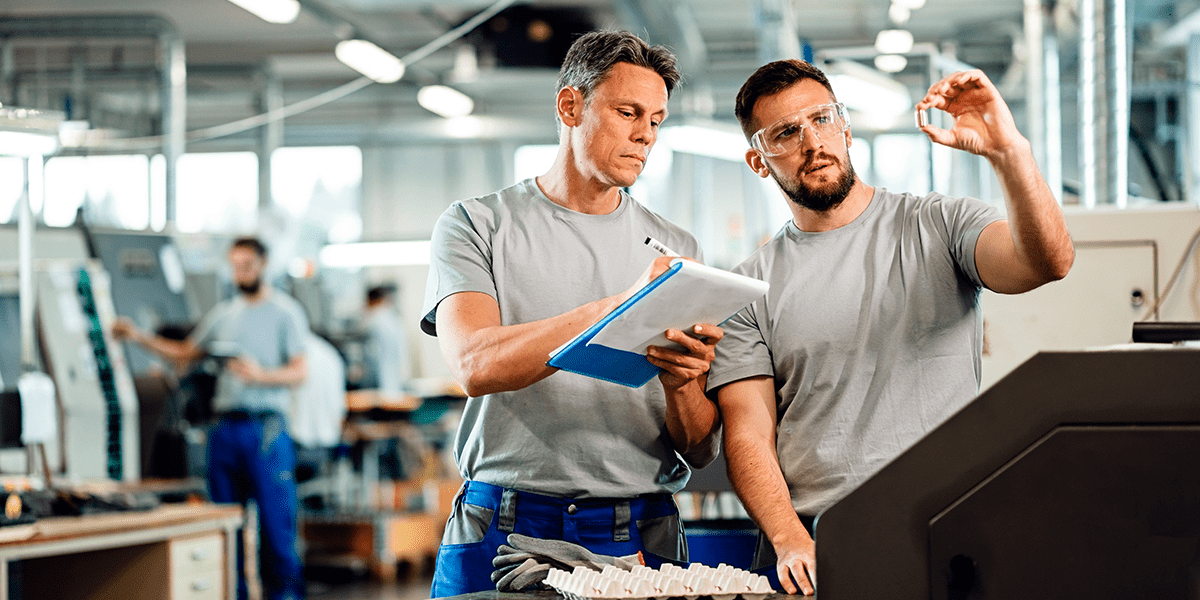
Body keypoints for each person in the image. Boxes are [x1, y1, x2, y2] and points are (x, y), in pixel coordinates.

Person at [707, 60, 1075, 595]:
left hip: (950, 531)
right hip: (823, 543)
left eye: (822, 119)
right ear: (758, 161)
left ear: (846, 128)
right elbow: (748, 435)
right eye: (786, 133)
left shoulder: (940, 225)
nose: (813, 141)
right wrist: (789, 538)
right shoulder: (748, 288)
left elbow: (1046, 263)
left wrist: (1008, 153)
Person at [421, 30, 724, 597]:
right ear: (570, 106)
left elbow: (700, 446)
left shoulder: (677, 250)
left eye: (656, 121)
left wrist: (684, 385)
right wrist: (617, 310)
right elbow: (474, 364)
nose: (644, 135)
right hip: (503, 527)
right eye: (628, 112)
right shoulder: (475, 225)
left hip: (638, 530)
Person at [114, 236, 308, 600]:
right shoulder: (224, 315)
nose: (241, 273)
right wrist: (137, 336)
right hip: (225, 430)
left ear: (262, 265)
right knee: (225, 522)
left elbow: (300, 372)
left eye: (247, 265)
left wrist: (259, 375)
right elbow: (185, 354)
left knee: (276, 527)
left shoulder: (285, 313)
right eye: (235, 266)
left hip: (266, 428)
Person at [360, 284, 411, 394]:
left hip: (380, 383)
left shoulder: (374, 320)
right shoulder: (394, 319)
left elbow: (373, 355)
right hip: (396, 381)